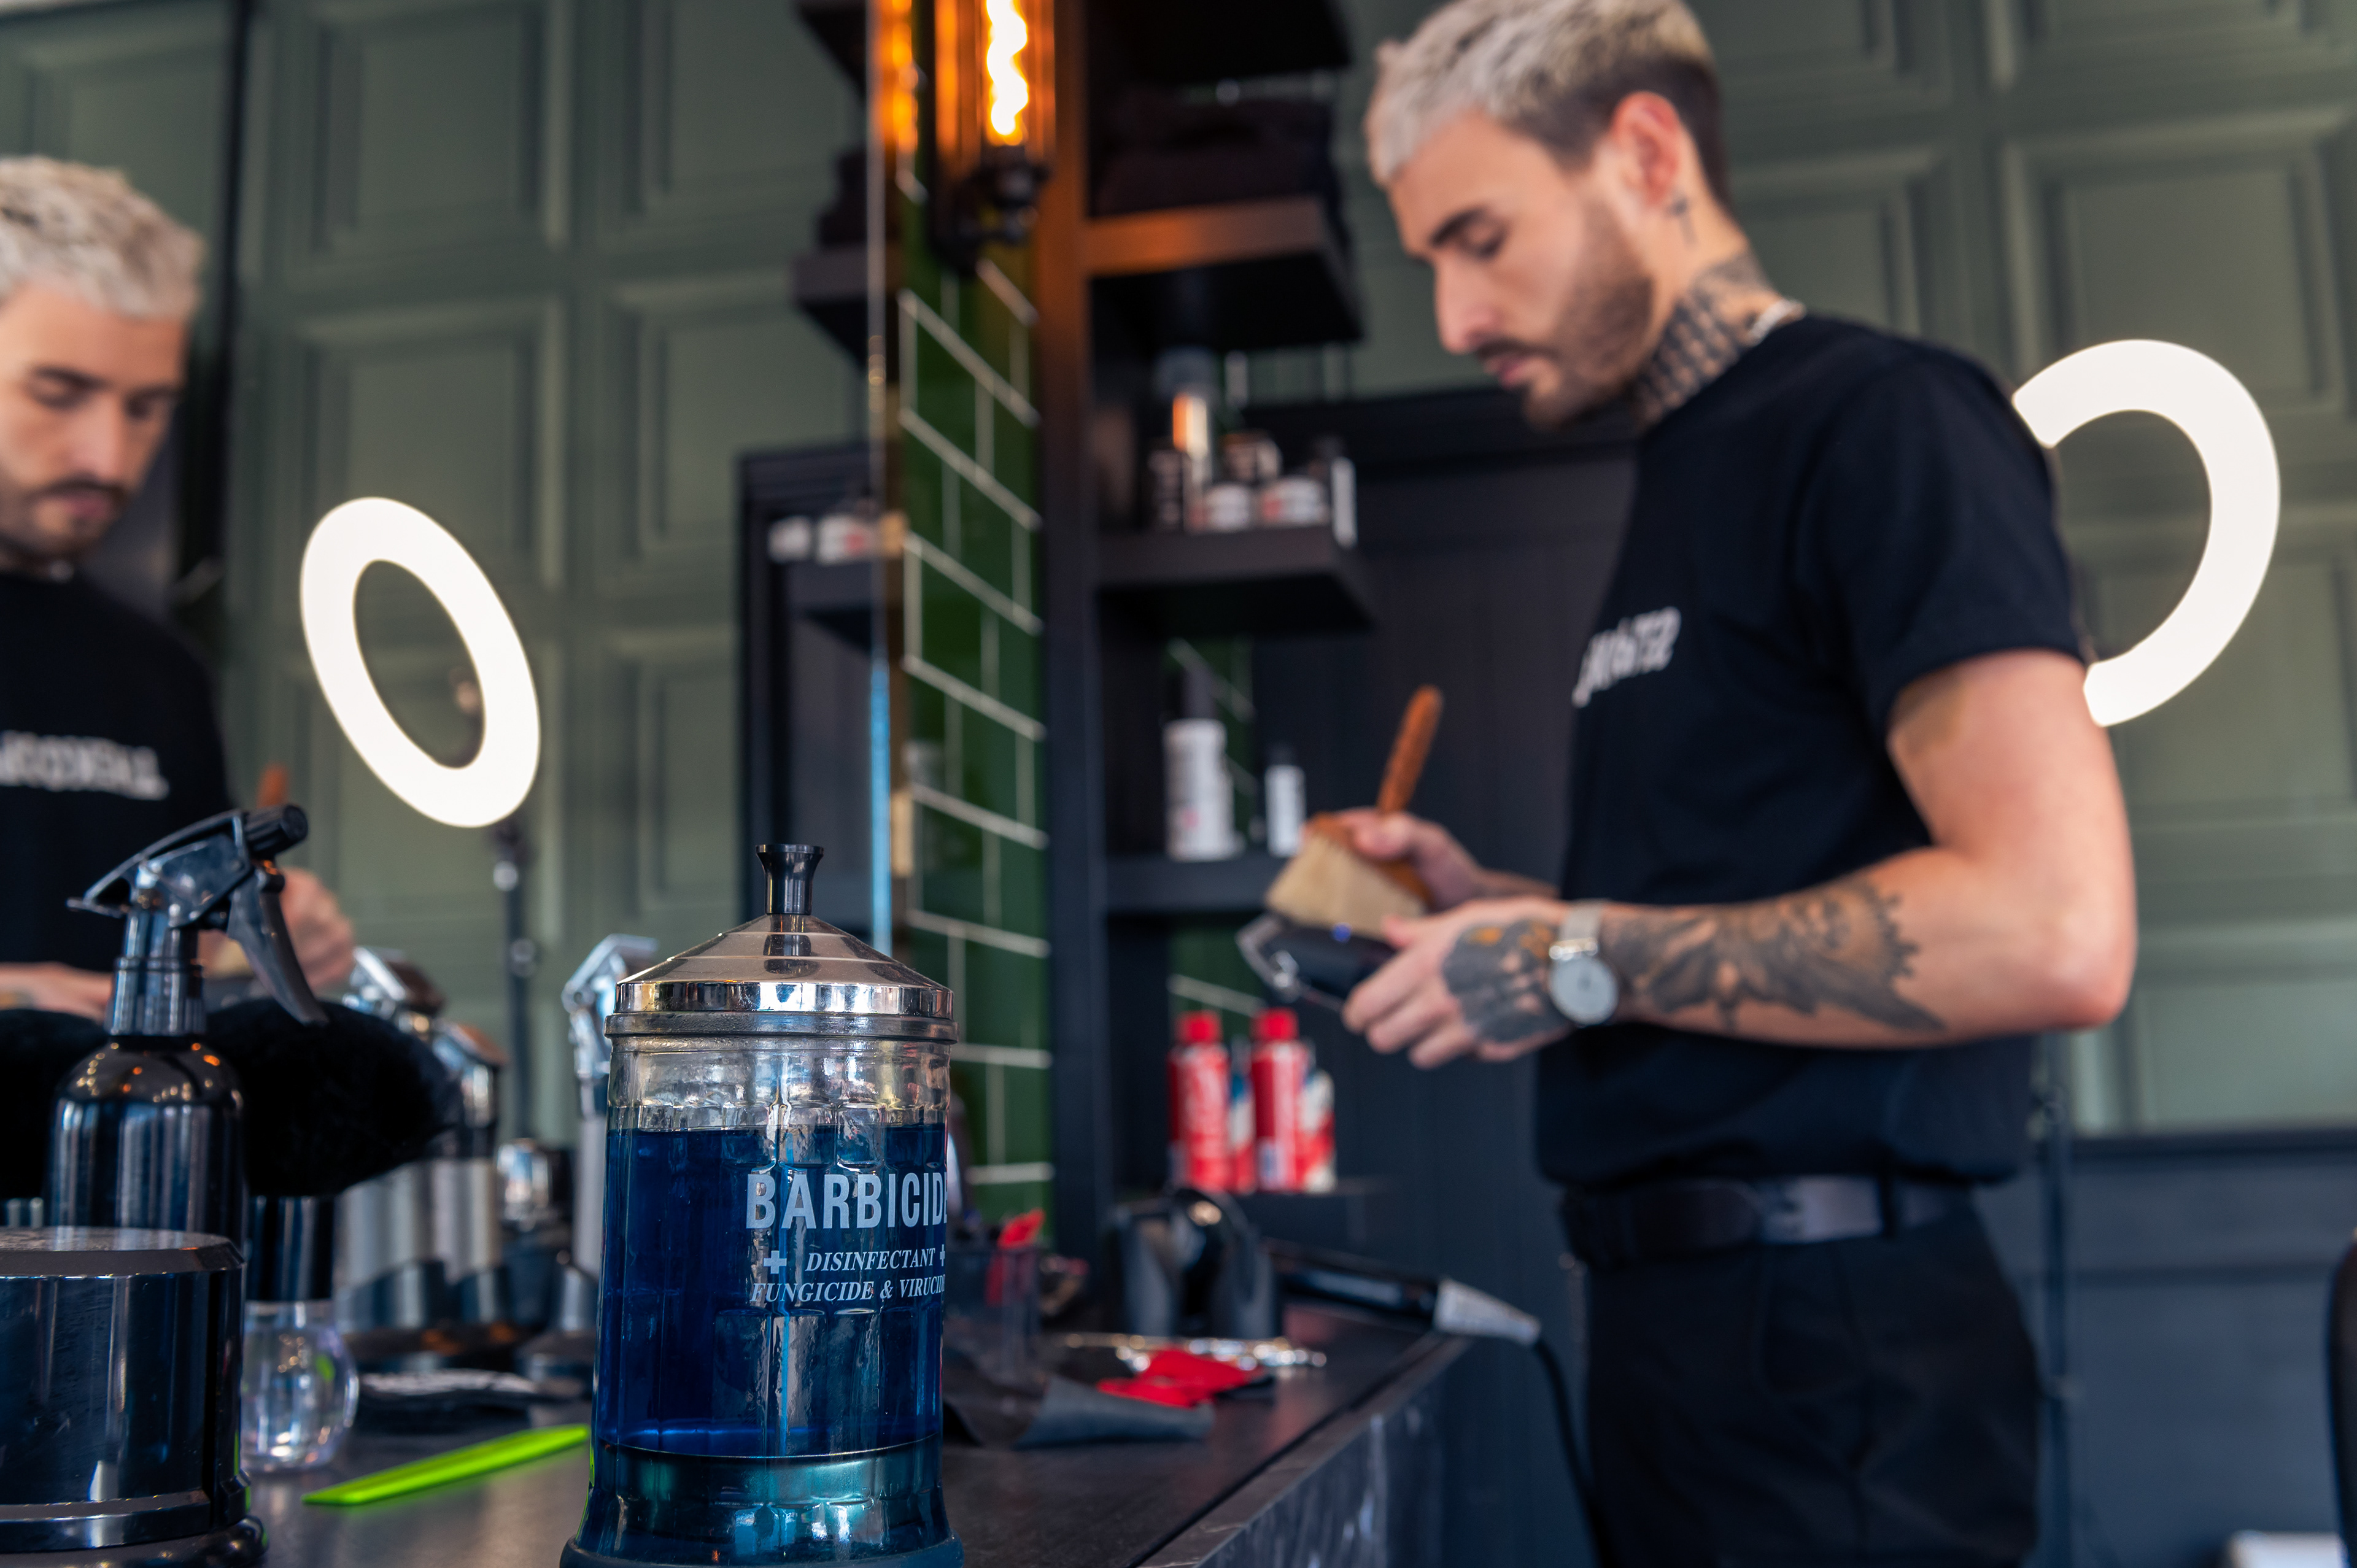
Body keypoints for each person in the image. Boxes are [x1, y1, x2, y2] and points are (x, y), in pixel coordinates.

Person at [1341, 3, 2136, 1564]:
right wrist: (1503, 909)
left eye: (1480, 239)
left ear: (1646, 154)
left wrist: (1566, 955)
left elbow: (2055, 928)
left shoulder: (1883, 423)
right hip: (1680, 1349)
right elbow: (1729, 905)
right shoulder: (1678, 471)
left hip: (1841, 1364)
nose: (1453, 314)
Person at [0, 158, 352, 1018]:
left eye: (146, 407)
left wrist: (261, 938)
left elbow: (188, 938)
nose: (109, 458)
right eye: (58, 394)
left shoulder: (161, 673)